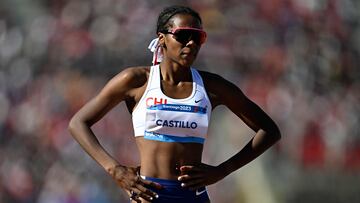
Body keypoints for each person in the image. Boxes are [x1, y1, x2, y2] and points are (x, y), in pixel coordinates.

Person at [68, 5, 281, 203]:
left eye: (198, 37)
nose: (191, 43)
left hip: (193, 197)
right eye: (183, 35)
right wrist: (114, 169)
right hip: (148, 196)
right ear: (162, 39)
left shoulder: (212, 86)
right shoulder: (135, 80)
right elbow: (78, 123)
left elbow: (269, 131)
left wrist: (222, 170)